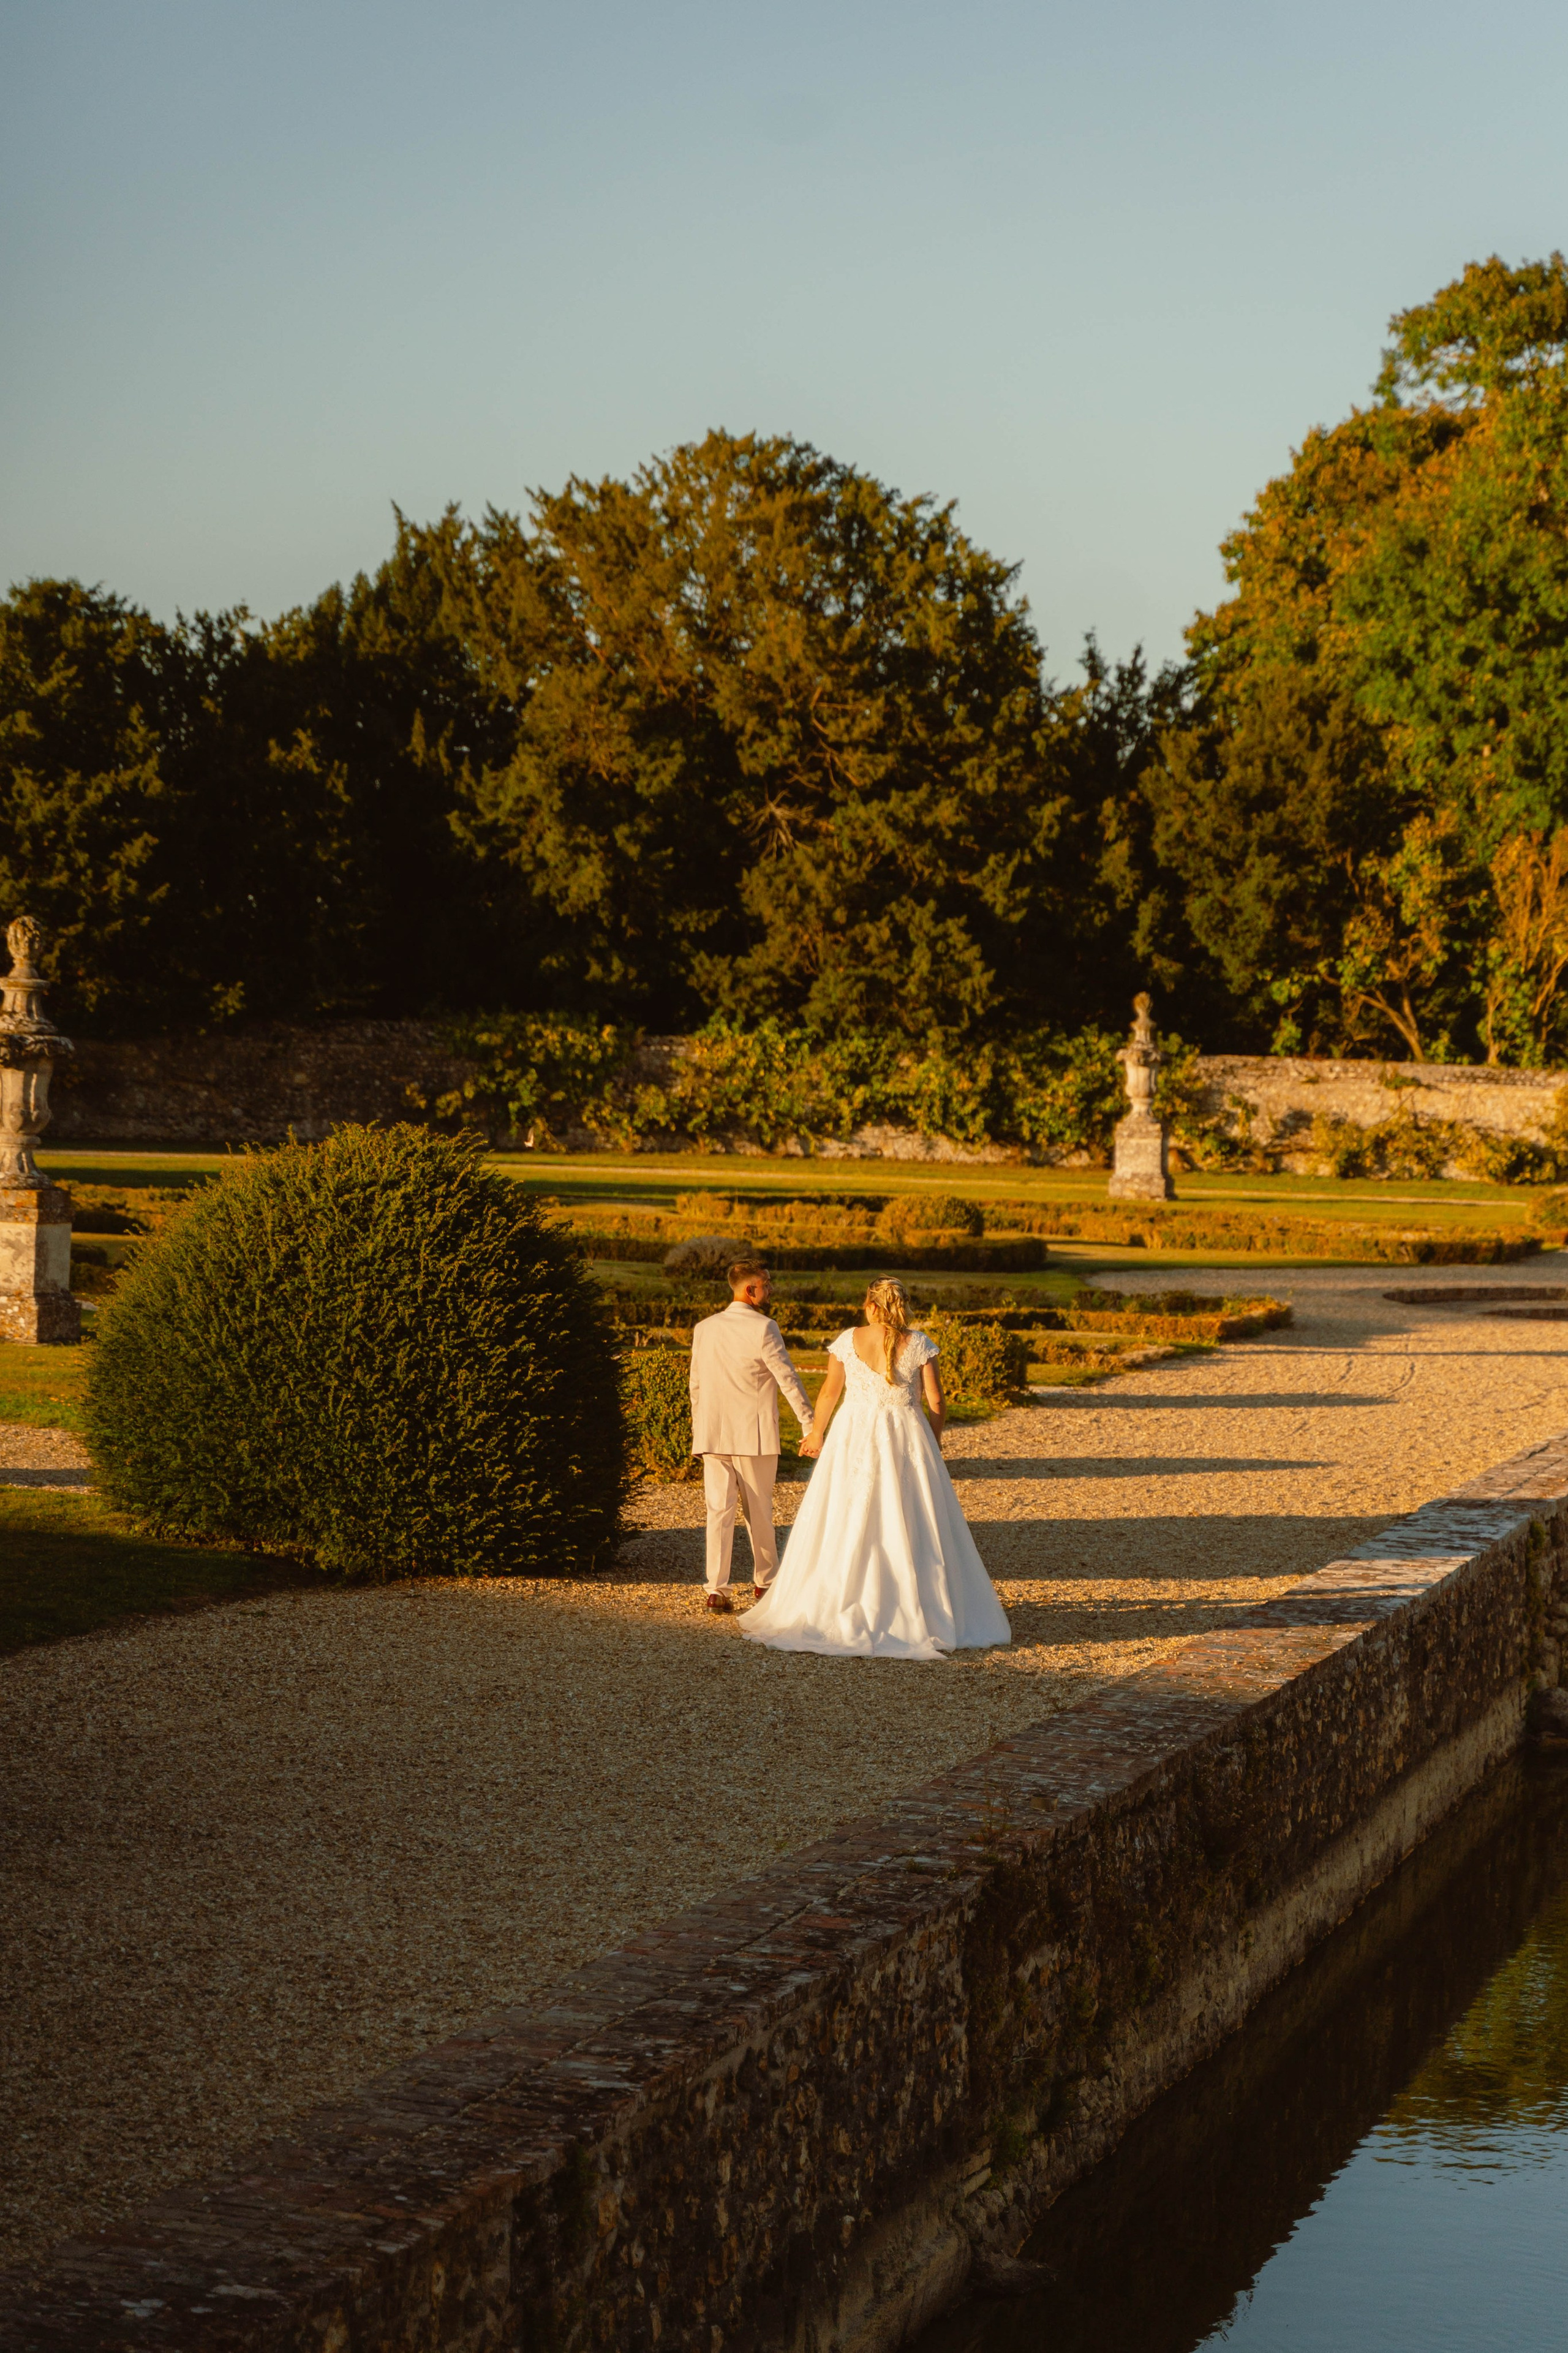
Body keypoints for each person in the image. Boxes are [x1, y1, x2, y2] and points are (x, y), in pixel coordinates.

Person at [741, 1276, 1011, 1660]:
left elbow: (829, 1392)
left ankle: (838, 1599)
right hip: (906, 1435)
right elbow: (936, 1401)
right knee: (913, 1514)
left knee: (846, 1512)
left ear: (870, 1305)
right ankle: (917, 1606)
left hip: (854, 1434)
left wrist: (816, 1433)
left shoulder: (847, 1340)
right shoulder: (919, 1343)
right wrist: (933, 1441)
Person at [688, 1257, 815, 1614]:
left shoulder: (704, 1328)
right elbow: (787, 1378)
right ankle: (766, 1584)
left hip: (713, 1434)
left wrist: (700, 1432)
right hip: (753, 1436)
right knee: (759, 1512)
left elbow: (696, 1385)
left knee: (719, 1512)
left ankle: (717, 1590)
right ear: (750, 1289)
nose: (771, 1289)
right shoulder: (764, 1328)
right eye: (766, 1283)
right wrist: (809, 1424)